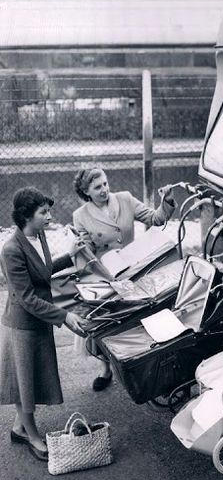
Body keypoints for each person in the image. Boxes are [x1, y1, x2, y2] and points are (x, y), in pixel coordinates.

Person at [0, 187, 88, 461]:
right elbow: (25, 298)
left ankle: (19, 428)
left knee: (29, 378)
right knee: (24, 382)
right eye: (43, 213)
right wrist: (66, 316)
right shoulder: (11, 250)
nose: (50, 217)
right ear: (26, 216)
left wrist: (71, 255)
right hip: (24, 324)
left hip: (41, 319)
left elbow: (44, 271)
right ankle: (32, 436)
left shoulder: (39, 236)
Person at [72, 167, 176, 391]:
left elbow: (154, 218)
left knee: (144, 315)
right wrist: (80, 249)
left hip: (135, 268)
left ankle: (148, 363)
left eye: (106, 184)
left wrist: (165, 201)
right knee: (105, 321)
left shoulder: (125, 198)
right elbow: (86, 253)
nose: (104, 190)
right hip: (106, 273)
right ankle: (106, 368)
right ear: (86, 191)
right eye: (97, 187)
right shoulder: (80, 216)